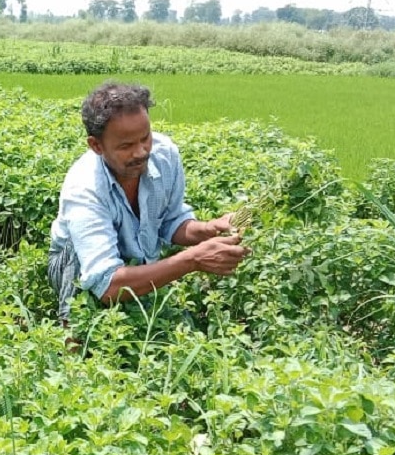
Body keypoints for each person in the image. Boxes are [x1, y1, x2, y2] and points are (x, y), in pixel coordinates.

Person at [48, 81, 250, 323]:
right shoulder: (84, 187)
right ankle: (71, 339)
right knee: (78, 251)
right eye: (126, 146)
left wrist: (208, 229)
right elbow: (107, 285)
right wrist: (193, 259)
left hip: (134, 262)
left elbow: (171, 221)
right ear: (96, 145)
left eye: (145, 138)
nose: (141, 152)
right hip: (77, 266)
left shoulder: (165, 155)